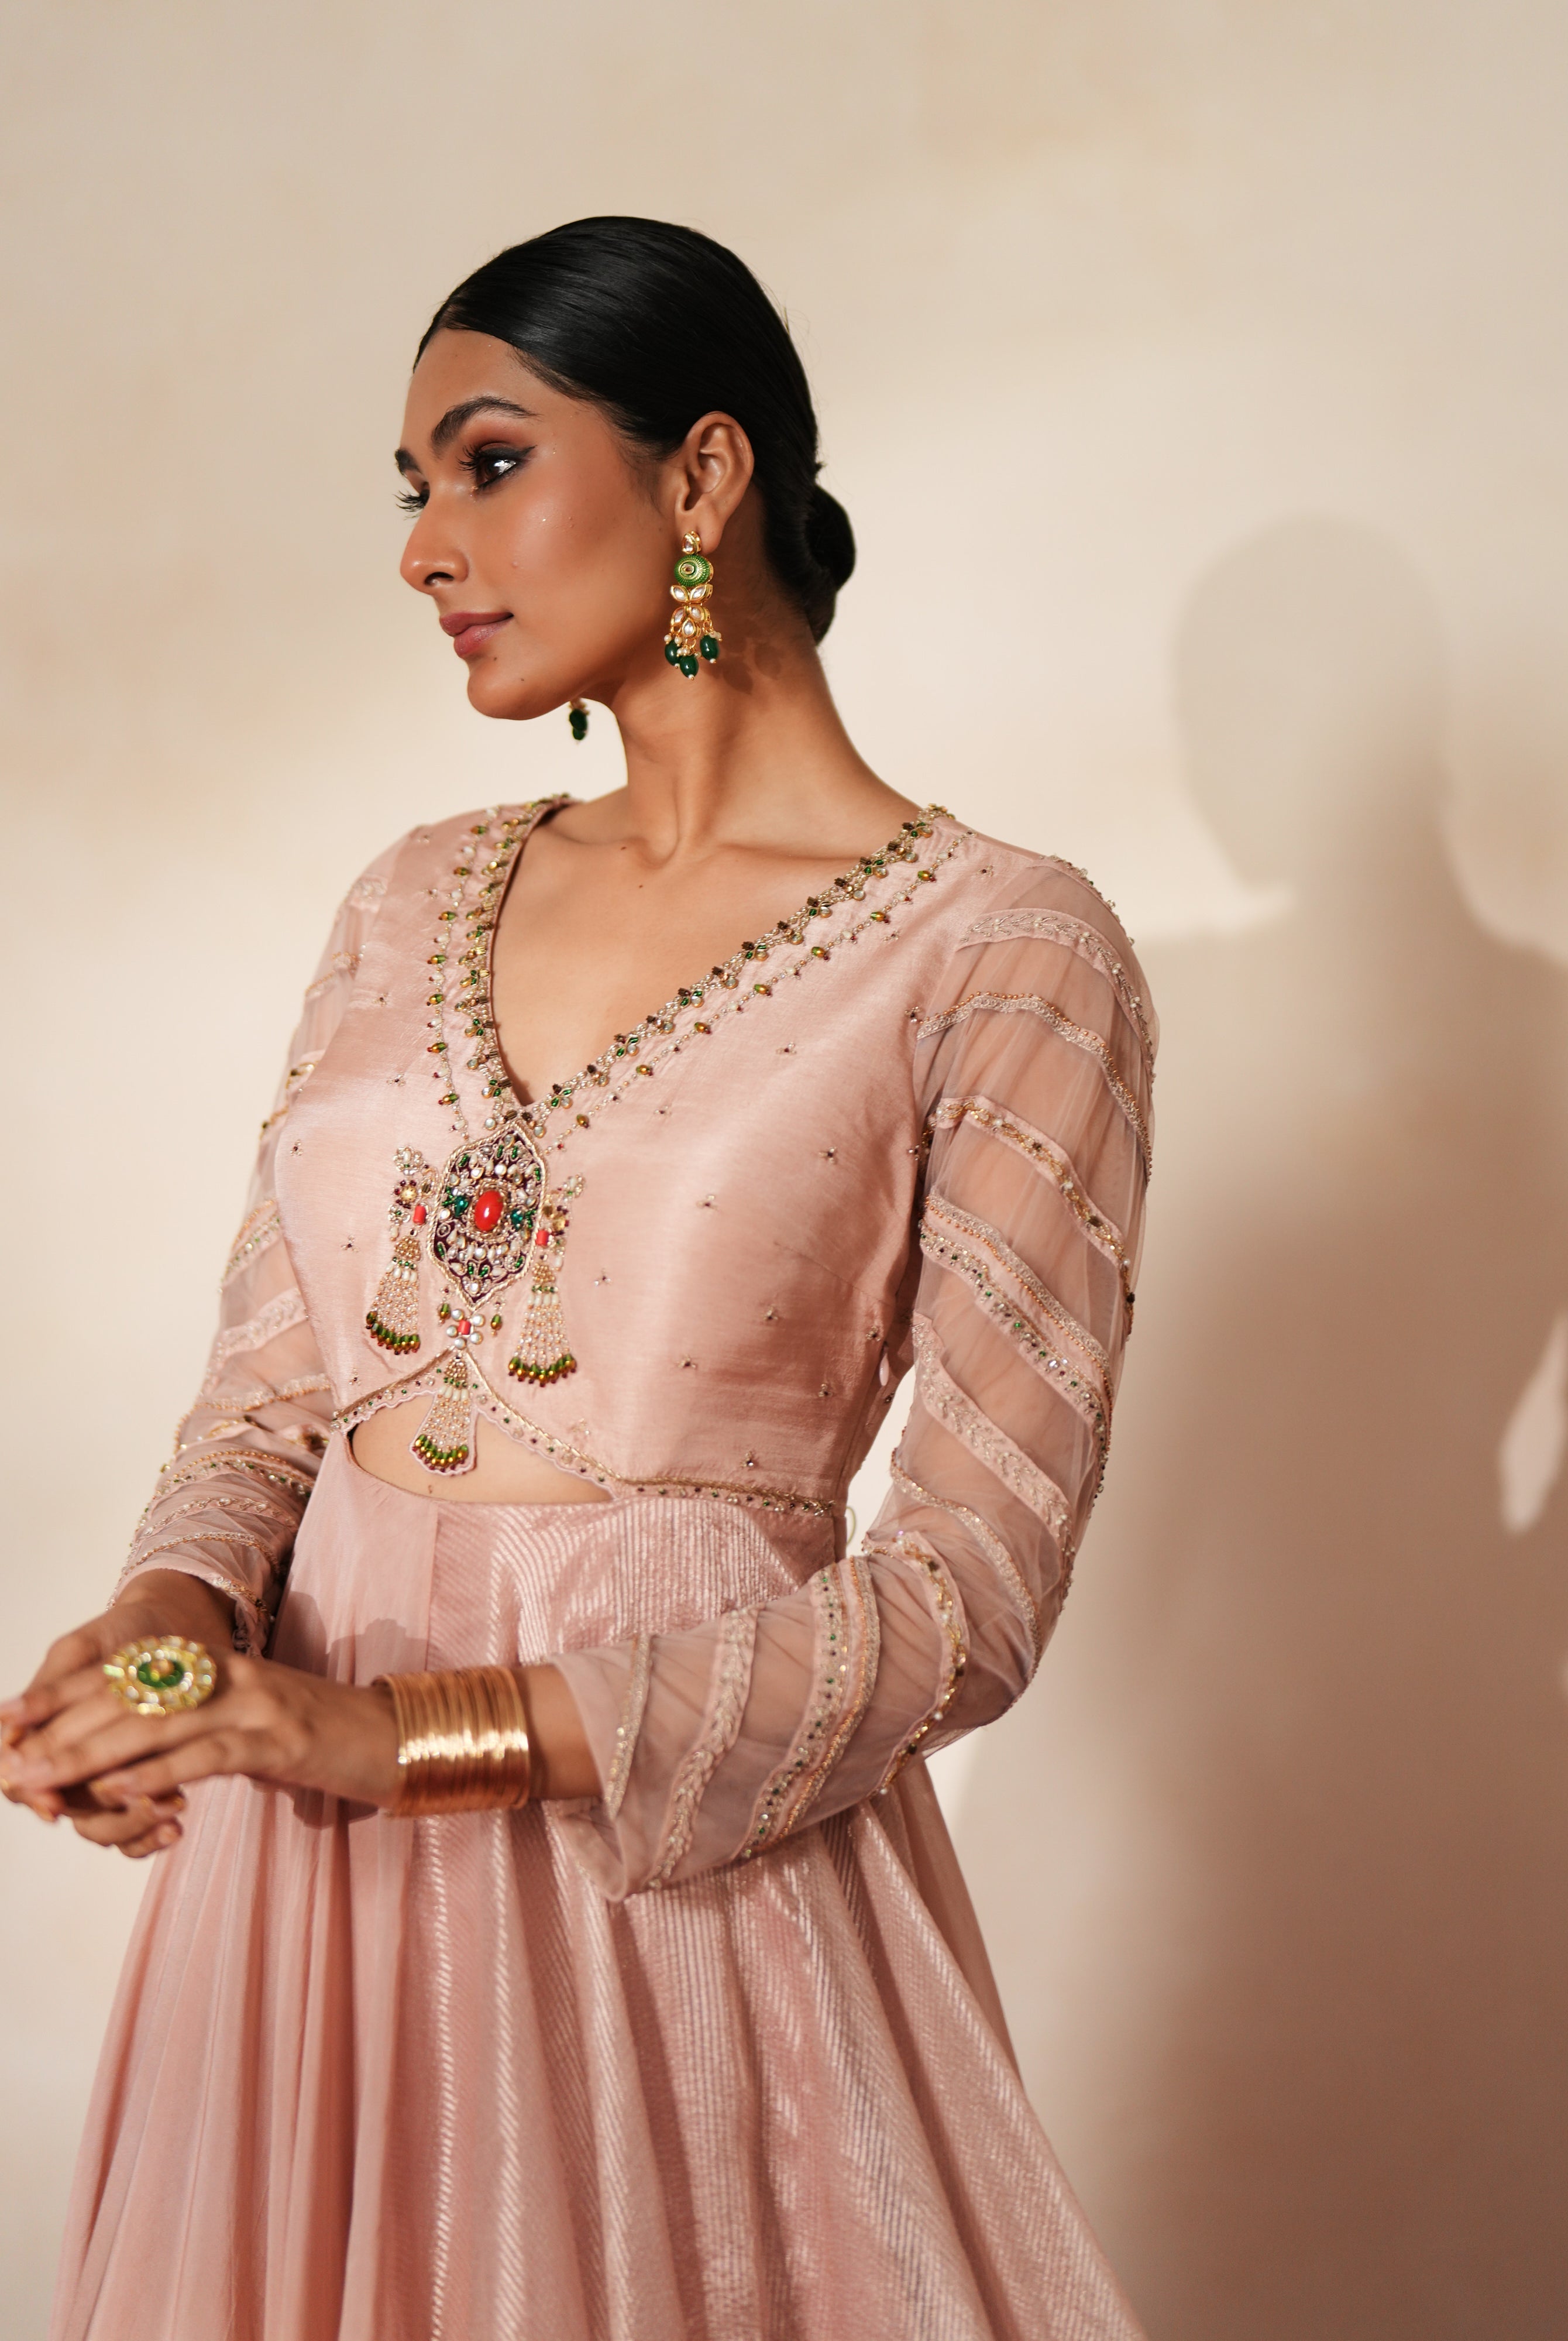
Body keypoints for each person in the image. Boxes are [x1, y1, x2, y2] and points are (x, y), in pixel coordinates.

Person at [2, 217, 1154, 2341]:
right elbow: (269, 1408)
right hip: (305, 1894)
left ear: (703, 476)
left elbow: (967, 1594)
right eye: (414, 492)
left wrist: (403, 1737)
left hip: (680, 1882)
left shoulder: (1006, 947)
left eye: (489, 463)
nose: (429, 545)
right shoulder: (409, 893)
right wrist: (164, 1643)